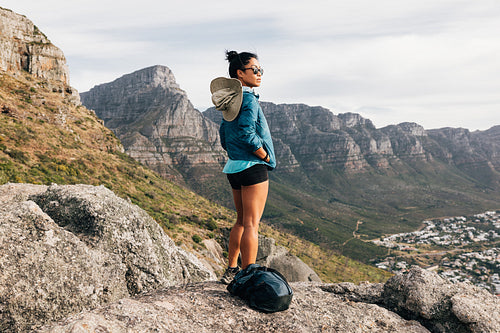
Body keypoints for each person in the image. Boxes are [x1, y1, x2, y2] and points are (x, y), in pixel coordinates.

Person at [210, 50, 276, 284]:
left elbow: (224, 137)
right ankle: (249, 274)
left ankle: (231, 270)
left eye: (261, 70)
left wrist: (236, 154)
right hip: (253, 167)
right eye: (255, 70)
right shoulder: (248, 99)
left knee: (240, 221)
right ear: (240, 73)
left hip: (234, 167)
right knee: (251, 224)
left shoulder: (229, 101)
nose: (259, 74)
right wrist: (264, 155)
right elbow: (248, 133)